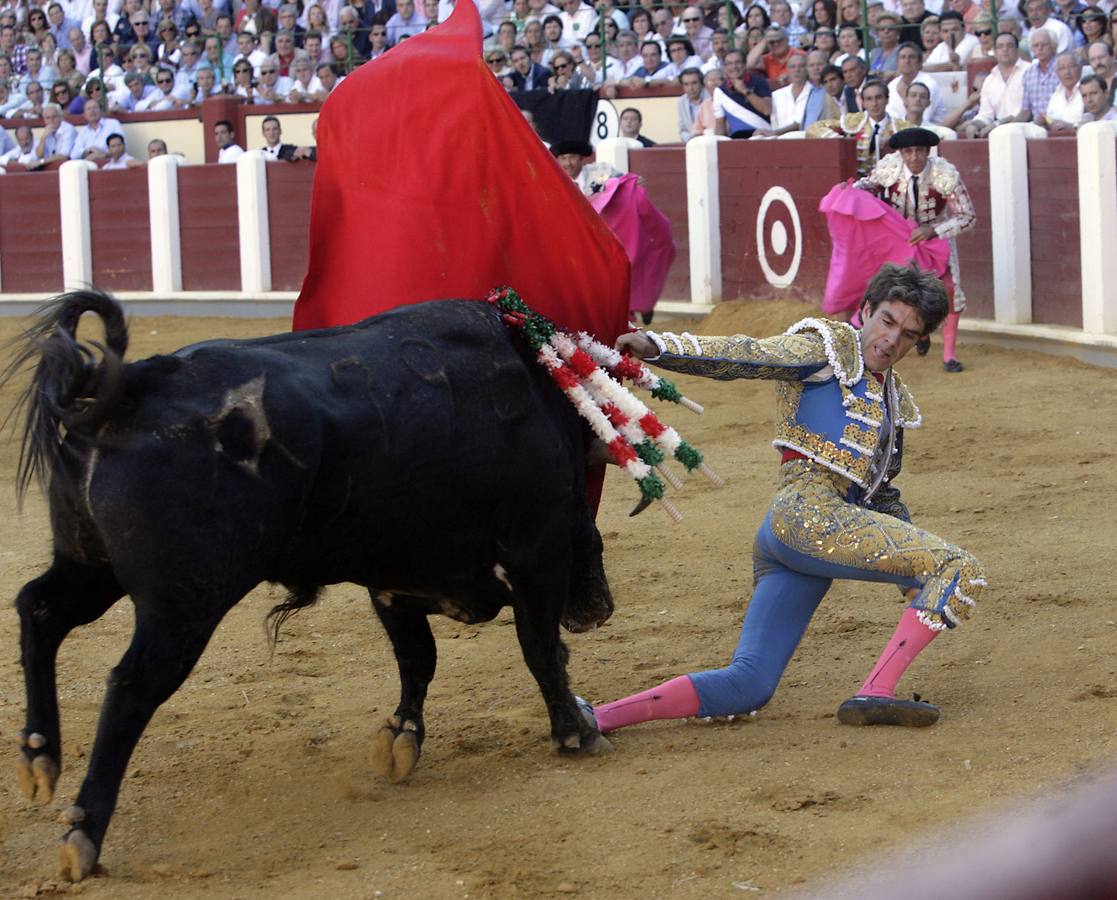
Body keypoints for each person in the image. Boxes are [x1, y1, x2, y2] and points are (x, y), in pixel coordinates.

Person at [580, 261, 985, 735]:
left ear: (919, 343)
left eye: (909, 334)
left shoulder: (895, 400)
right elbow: (751, 354)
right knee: (959, 567)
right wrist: (663, 346)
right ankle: (875, 692)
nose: (891, 340)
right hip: (807, 515)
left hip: (792, 542)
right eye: (887, 321)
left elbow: (880, 492)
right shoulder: (825, 348)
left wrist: (909, 574)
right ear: (866, 310)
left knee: (749, 683)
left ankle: (596, 717)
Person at [854, 128, 976, 370]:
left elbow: (967, 216)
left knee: (950, 289)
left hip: (935, 240)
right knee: (885, 289)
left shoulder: (944, 173)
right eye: (908, 151)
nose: (914, 157)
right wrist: (849, 192)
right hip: (898, 240)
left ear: (928, 151)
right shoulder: (889, 169)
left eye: (920, 151)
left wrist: (934, 231)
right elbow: (863, 188)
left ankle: (949, 355)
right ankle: (908, 334)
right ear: (901, 153)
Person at [807, 80, 912, 175]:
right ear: (864, 103)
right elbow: (814, 128)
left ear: (887, 100)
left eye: (878, 98)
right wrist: (841, 142)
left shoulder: (901, 127)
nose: (874, 103)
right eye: (869, 99)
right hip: (856, 185)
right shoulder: (853, 122)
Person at [960, 32, 1031, 136]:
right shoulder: (990, 80)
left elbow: (1027, 111)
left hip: (1026, 128)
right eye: (1000, 46)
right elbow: (985, 114)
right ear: (995, 52)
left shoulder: (1029, 71)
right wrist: (974, 125)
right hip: (999, 133)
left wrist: (998, 124)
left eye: (1009, 45)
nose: (1005, 49)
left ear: (1017, 50)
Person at [756, 51, 839, 134]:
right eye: (811, 65)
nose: (816, 68)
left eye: (820, 64)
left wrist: (775, 132)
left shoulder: (829, 89)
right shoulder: (813, 92)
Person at [713, 48, 772, 138]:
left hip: (763, 135)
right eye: (729, 64)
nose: (734, 67)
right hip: (738, 139)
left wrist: (745, 91)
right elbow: (720, 127)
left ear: (744, 64)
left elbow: (767, 110)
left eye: (738, 62)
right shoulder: (720, 91)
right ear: (725, 67)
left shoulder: (758, 80)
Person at [551, 138, 621, 195]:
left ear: (581, 158)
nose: (568, 163)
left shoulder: (600, 171)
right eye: (563, 158)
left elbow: (622, 181)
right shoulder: (556, 183)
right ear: (558, 161)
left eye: (573, 157)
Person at [1040, 51, 1084, 130]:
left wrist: (1069, 127)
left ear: (1080, 68)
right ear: (1057, 73)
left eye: (1071, 66)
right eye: (1062, 68)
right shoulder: (1056, 94)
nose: (1067, 72)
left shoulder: (1087, 90)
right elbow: (1050, 120)